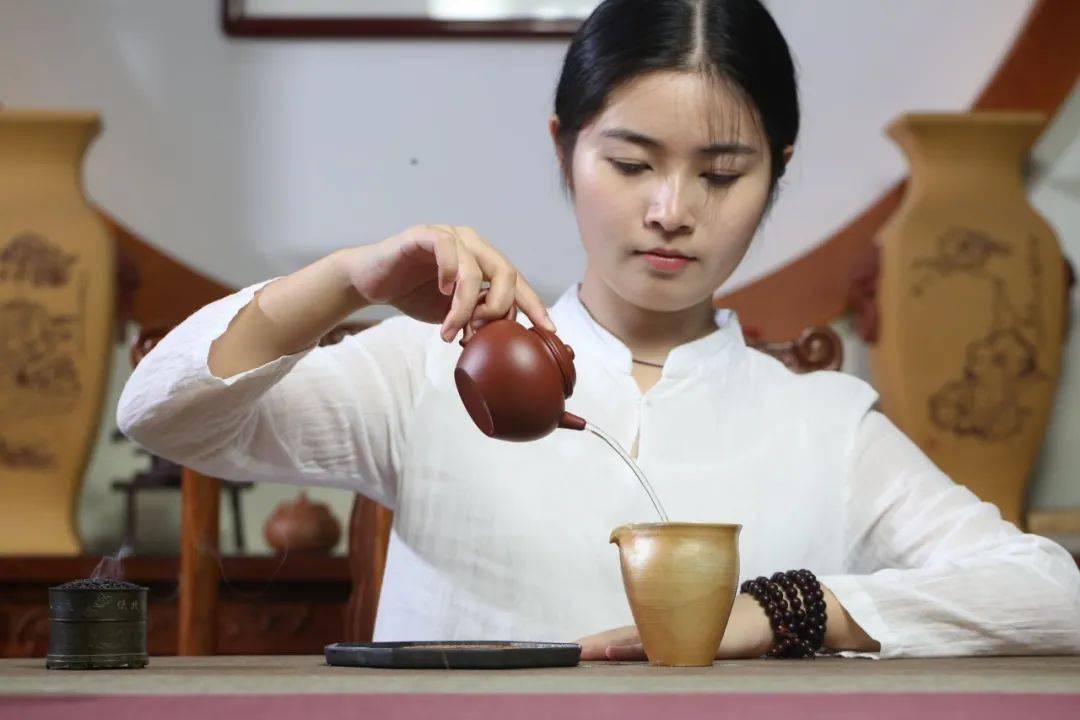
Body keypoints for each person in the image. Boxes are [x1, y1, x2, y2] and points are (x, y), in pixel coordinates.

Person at [117, 0, 1080, 660]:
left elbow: (1051, 596)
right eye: (631, 163)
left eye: (721, 173)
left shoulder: (826, 424)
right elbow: (161, 413)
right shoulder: (438, 365)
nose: (671, 209)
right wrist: (346, 278)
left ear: (775, 174)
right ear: (565, 149)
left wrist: (781, 611)